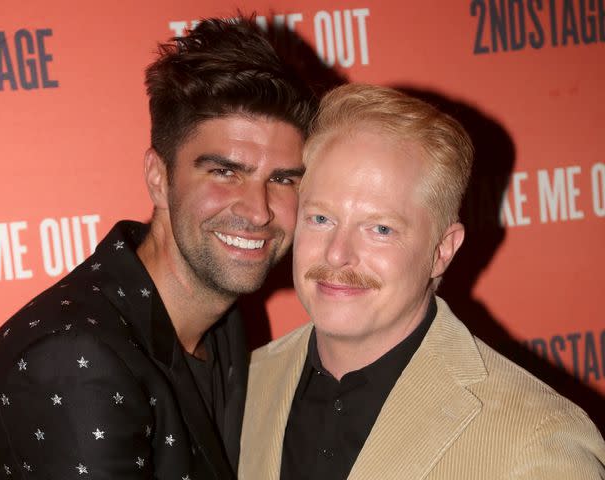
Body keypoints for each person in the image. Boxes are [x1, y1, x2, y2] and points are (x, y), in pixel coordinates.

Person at [0, 17, 316, 480]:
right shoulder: (74, 361)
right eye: (225, 172)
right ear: (158, 177)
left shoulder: (224, 324)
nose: (258, 211)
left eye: (283, 180)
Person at [238, 84, 605, 479]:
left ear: (442, 250)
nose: (337, 253)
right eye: (321, 219)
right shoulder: (247, 383)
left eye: (380, 228)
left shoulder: (537, 441)